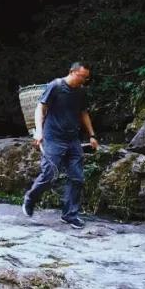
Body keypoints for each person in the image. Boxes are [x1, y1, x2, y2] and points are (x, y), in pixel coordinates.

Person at [22, 62, 98, 228]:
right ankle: (31, 197)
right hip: (53, 138)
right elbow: (40, 108)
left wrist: (92, 135)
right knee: (49, 174)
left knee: (77, 178)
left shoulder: (81, 91)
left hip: (72, 139)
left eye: (86, 78)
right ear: (72, 72)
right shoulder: (55, 86)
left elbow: (83, 113)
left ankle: (69, 215)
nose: (83, 80)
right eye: (81, 76)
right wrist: (39, 132)